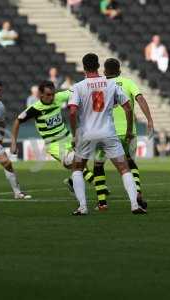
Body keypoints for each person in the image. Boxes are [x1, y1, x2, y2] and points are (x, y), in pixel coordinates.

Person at [68, 53, 147, 215]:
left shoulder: (78, 87)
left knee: (77, 168)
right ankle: (134, 205)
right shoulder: (111, 84)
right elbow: (128, 108)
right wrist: (129, 131)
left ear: (84, 68)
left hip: (87, 134)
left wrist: (75, 134)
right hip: (109, 133)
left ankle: (83, 207)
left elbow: (72, 112)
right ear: (98, 66)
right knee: (124, 168)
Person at [10, 81, 96, 191]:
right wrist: (13, 143)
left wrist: (90, 87)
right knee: (78, 163)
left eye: (53, 94)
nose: (51, 97)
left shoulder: (58, 97)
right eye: (48, 95)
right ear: (41, 94)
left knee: (81, 164)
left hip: (68, 138)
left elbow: (74, 91)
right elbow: (17, 121)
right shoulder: (35, 109)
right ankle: (99, 186)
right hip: (54, 145)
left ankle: (72, 182)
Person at [92, 58, 154, 210]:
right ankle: (137, 193)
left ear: (104, 71)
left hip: (105, 132)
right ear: (120, 70)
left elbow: (96, 109)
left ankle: (102, 202)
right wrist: (149, 120)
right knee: (130, 163)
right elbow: (140, 99)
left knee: (98, 165)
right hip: (128, 131)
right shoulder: (128, 82)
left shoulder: (99, 85)